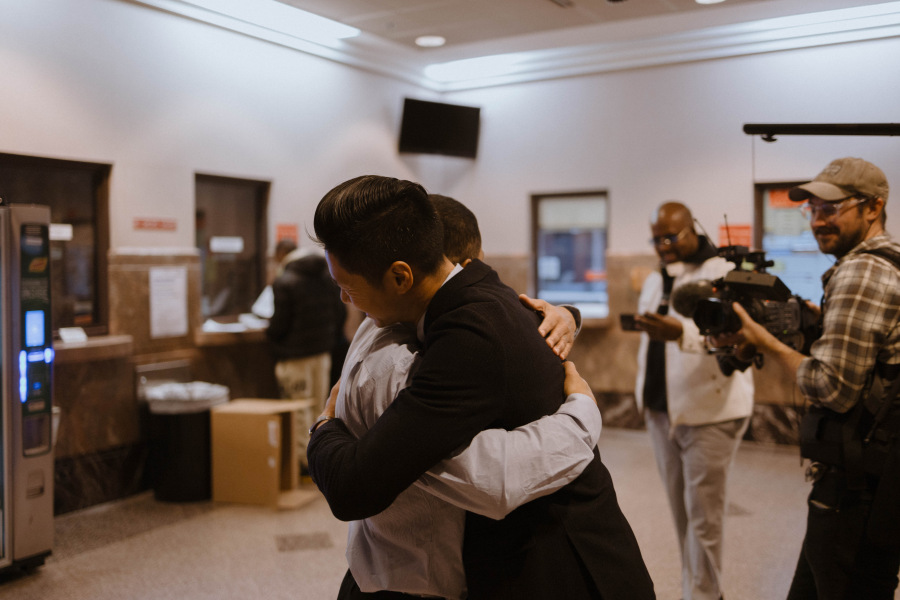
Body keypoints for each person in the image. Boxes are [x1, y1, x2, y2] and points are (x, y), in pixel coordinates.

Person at [308, 175, 655, 600]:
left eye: (348, 288)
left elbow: (354, 487)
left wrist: (325, 426)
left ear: (400, 277)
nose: (347, 301)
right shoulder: (473, 294)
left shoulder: (467, 340)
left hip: (565, 563)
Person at [715, 158, 900, 599]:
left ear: (872, 208)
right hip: (876, 478)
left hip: (856, 487)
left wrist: (766, 341)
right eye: (812, 210)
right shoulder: (889, 261)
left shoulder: (861, 270)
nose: (819, 221)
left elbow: (832, 387)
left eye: (831, 209)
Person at [633, 201, 753, 600]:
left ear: (693, 230)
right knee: (681, 517)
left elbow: (731, 337)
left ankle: (704, 596)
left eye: (671, 237)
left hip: (710, 412)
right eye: (656, 239)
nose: (663, 246)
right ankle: (695, 591)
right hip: (660, 411)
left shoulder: (721, 273)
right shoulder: (656, 279)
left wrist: (679, 334)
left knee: (704, 521)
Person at [266, 239, 346, 466]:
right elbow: (340, 312)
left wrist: (271, 337)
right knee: (319, 406)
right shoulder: (326, 274)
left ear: (281, 254)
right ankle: (319, 458)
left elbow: (279, 324)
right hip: (322, 353)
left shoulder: (284, 281)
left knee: (297, 410)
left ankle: (303, 464)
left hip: (294, 357)